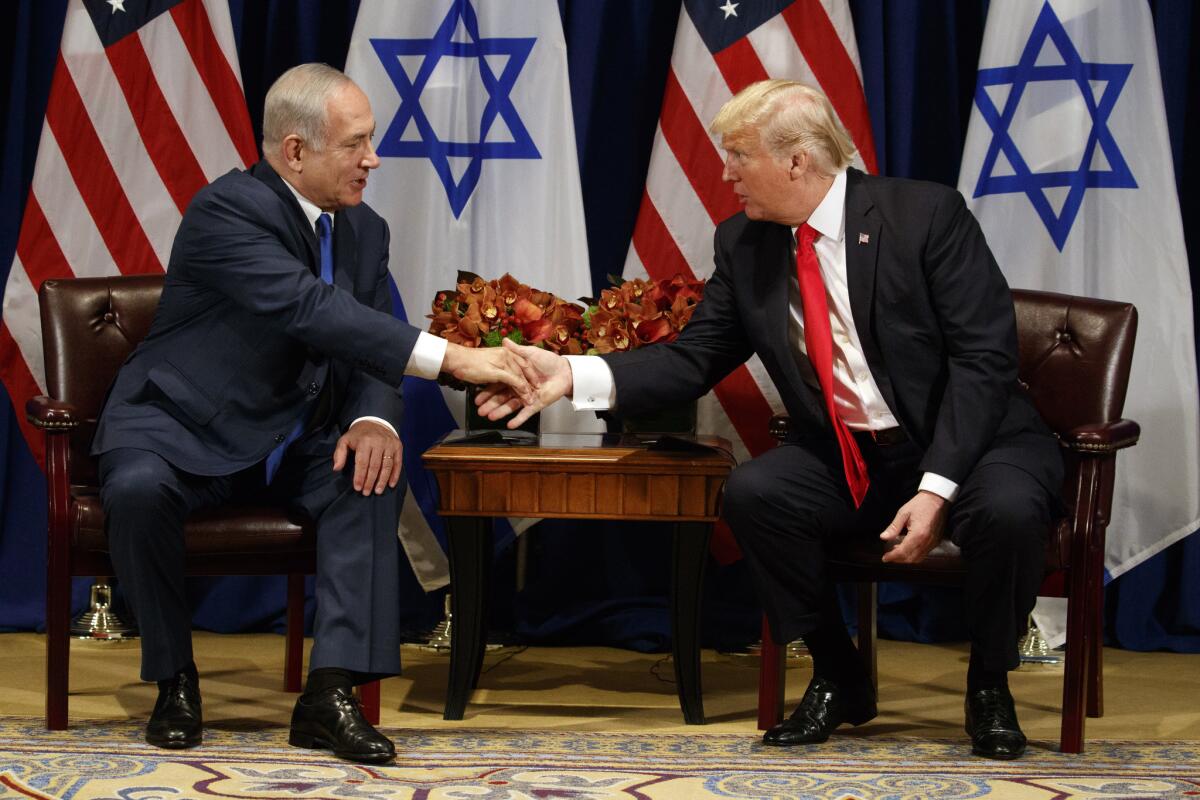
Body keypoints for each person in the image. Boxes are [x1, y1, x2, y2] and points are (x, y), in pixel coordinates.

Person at [479, 80, 1063, 761]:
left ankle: (990, 683)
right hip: (854, 457)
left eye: (738, 155)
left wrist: (936, 487)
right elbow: (694, 359)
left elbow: (983, 361)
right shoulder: (745, 243)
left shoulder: (925, 215)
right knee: (757, 494)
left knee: (1009, 511)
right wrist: (573, 375)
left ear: (796, 162)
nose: (724, 173)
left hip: (976, 442)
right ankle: (839, 674)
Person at [91, 63, 533, 763]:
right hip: (182, 427)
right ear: (294, 151)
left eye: (372, 140)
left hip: (296, 437)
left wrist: (376, 419)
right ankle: (173, 679)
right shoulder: (227, 210)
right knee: (138, 489)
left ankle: (329, 695)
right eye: (355, 143)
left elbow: (371, 338)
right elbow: (311, 309)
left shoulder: (365, 230)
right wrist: (456, 359)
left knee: (370, 473)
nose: (373, 159)